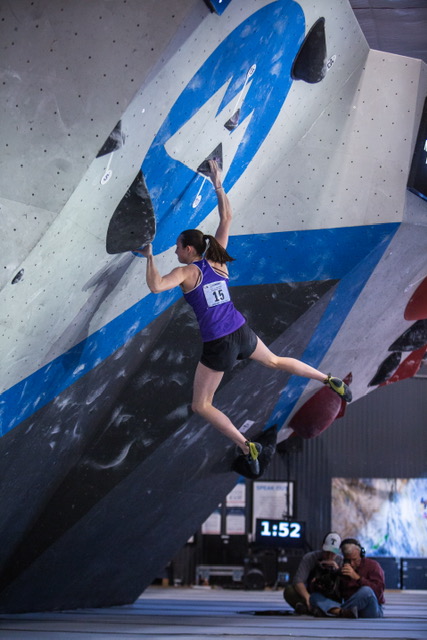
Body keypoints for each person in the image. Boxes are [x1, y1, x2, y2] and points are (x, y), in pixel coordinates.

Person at [139, 160, 352, 473]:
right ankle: (326, 378)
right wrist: (218, 181)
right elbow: (227, 216)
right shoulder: (217, 259)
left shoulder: (185, 272)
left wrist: (148, 258)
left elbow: (156, 286)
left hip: (219, 345)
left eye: (177, 248)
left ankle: (245, 444)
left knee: (202, 405)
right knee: (277, 361)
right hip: (241, 332)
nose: (174, 252)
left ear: (188, 249)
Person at [309, 538, 385, 618]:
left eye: (355, 560)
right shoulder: (342, 569)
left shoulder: (373, 566)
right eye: (348, 560)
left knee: (366, 591)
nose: (351, 563)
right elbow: (336, 595)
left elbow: (378, 592)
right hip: (348, 606)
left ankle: (335, 611)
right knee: (314, 597)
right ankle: (342, 612)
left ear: (361, 555)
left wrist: (357, 578)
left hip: (370, 609)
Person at [284, 532, 343, 614]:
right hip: (311, 593)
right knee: (289, 591)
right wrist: (307, 597)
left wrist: (337, 570)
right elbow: (298, 581)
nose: (329, 556)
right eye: (327, 551)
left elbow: (345, 587)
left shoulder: (341, 561)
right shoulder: (310, 558)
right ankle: (313, 607)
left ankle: (315, 608)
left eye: (333, 553)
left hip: (331, 597)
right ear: (322, 547)